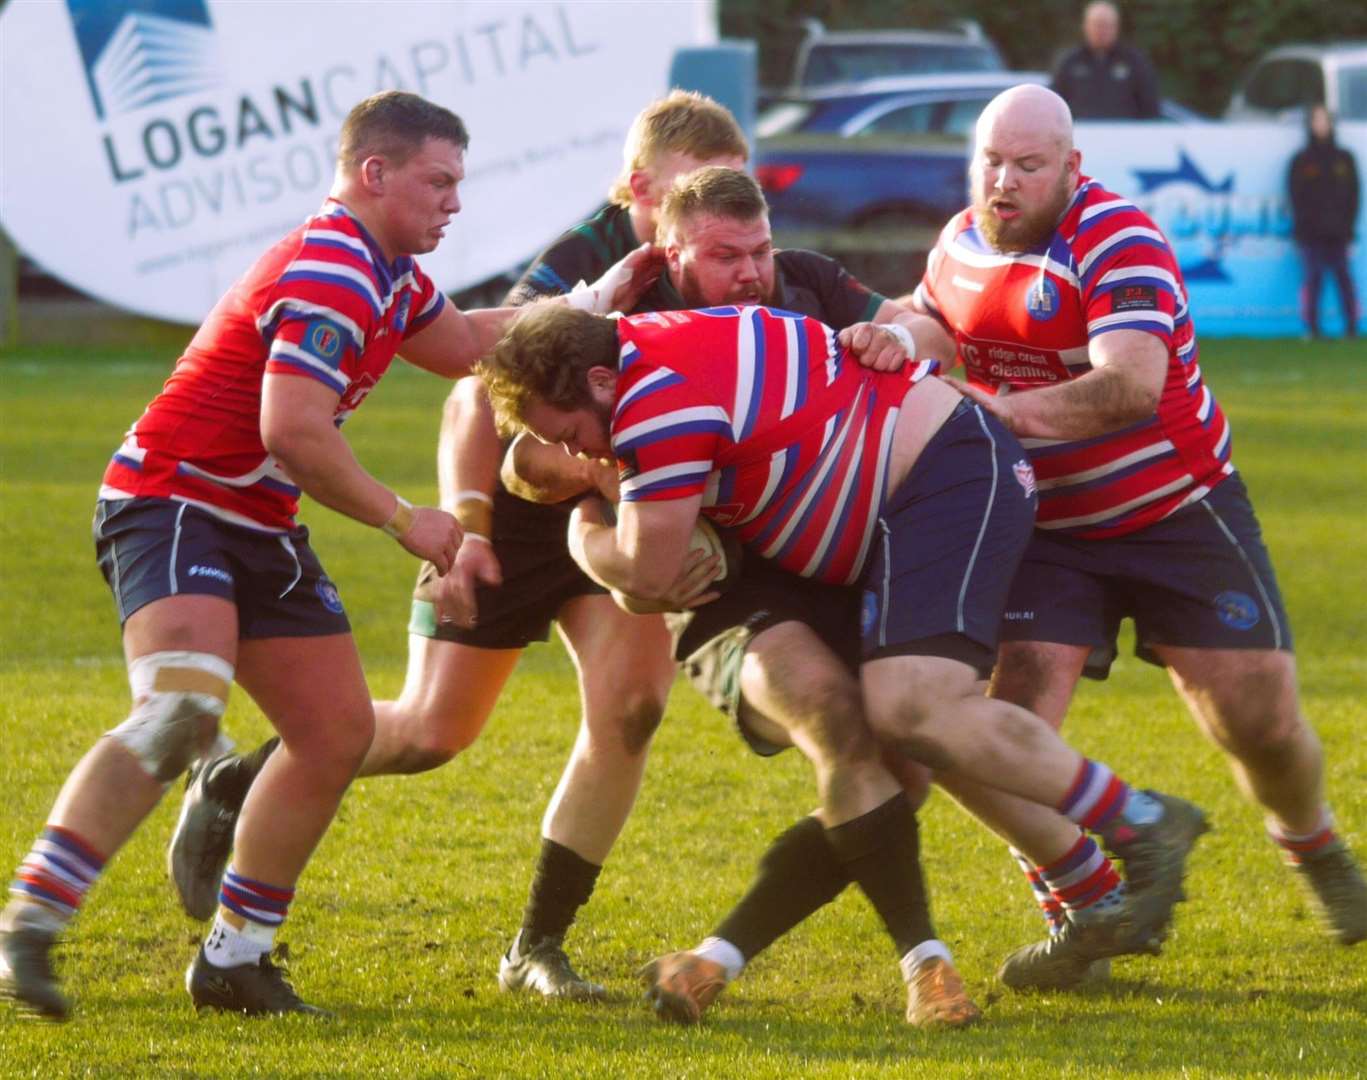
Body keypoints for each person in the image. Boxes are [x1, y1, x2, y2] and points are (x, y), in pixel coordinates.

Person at [478, 293, 1209, 1023]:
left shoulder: (654, 398)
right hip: (869, 527)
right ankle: (1086, 892)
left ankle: (1140, 821)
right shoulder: (644, 344)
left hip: (936, 484)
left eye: (574, 434)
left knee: (912, 710)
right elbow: (562, 495)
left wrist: (580, 532)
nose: (581, 452)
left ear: (600, 384)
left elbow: (645, 575)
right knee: (897, 741)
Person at [164, 91, 746, 1004]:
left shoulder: (735, 255)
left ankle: (536, 948)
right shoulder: (585, 257)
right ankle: (238, 779)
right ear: (637, 189)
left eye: (729, 192)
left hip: (610, 510)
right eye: (686, 194)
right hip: (511, 519)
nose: (707, 211)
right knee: (430, 734)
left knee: (631, 707)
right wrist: (458, 523)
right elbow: (475, 387)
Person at [0, 90, 515, 1020]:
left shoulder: (387, 269)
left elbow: (466, 345)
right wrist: (412, 522)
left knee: (335, 734)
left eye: (456, 185)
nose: (453, 202)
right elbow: (299, 432)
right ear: (375, 173)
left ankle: (234, 960)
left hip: (255, 517)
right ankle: (29, 923)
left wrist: (608, 313)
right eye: (438, 181)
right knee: (181, 710)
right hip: (174, 502)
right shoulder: (333, 268)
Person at [901, 83, 1366, 990]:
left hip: (1173, 512)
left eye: (1027, 167)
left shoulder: (1116, 238)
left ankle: (1316, 851)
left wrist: (991, 414)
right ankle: (1086, 910)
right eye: (990, 161)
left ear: (1071, 168)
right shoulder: (960, 240)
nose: (1002, 182)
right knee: (997, 733)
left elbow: (1127, 388)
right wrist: (899, 335)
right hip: (1044, 527)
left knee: (1258, 723)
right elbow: (933, 315)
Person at [1288, 103, 1360, 340]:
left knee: (1344, 280)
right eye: (1316, 120)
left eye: (1324, 120)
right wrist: (1301, 229)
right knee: (1313, 279)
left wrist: (1348, 230)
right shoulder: (1301, 160)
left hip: (1339, 232)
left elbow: (1354, 195)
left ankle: (1351, 327)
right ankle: (1313, 329)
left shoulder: (1344, 158)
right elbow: (1295, 197)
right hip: (1311, 234)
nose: (1320, 125)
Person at [1050, 1, 1159, 121]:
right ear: (1085, 26)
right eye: (1097, 25)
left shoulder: (1135, 62)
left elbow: (1150, 108)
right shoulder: (1069, 62)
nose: (1102, 31)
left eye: (1107, 25)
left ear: (1116, 27)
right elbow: (1054, 106)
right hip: (1079, 135)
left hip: (1125, 135)